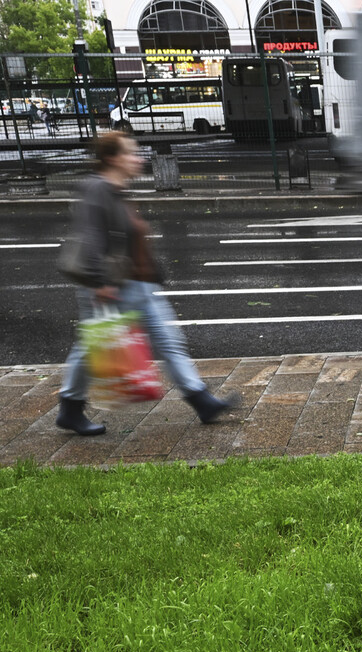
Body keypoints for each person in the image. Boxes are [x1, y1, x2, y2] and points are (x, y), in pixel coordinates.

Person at [56, 131, 241, 436]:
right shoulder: (97, 188)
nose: (138, 158)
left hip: (139, 285)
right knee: (90, 349)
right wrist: (100, 282)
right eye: (130, 153)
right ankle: (70, 409)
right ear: (112, 158)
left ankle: (202, 401)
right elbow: (91, 236)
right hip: (112, 287)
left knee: (169, 343)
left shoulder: (118, 189)